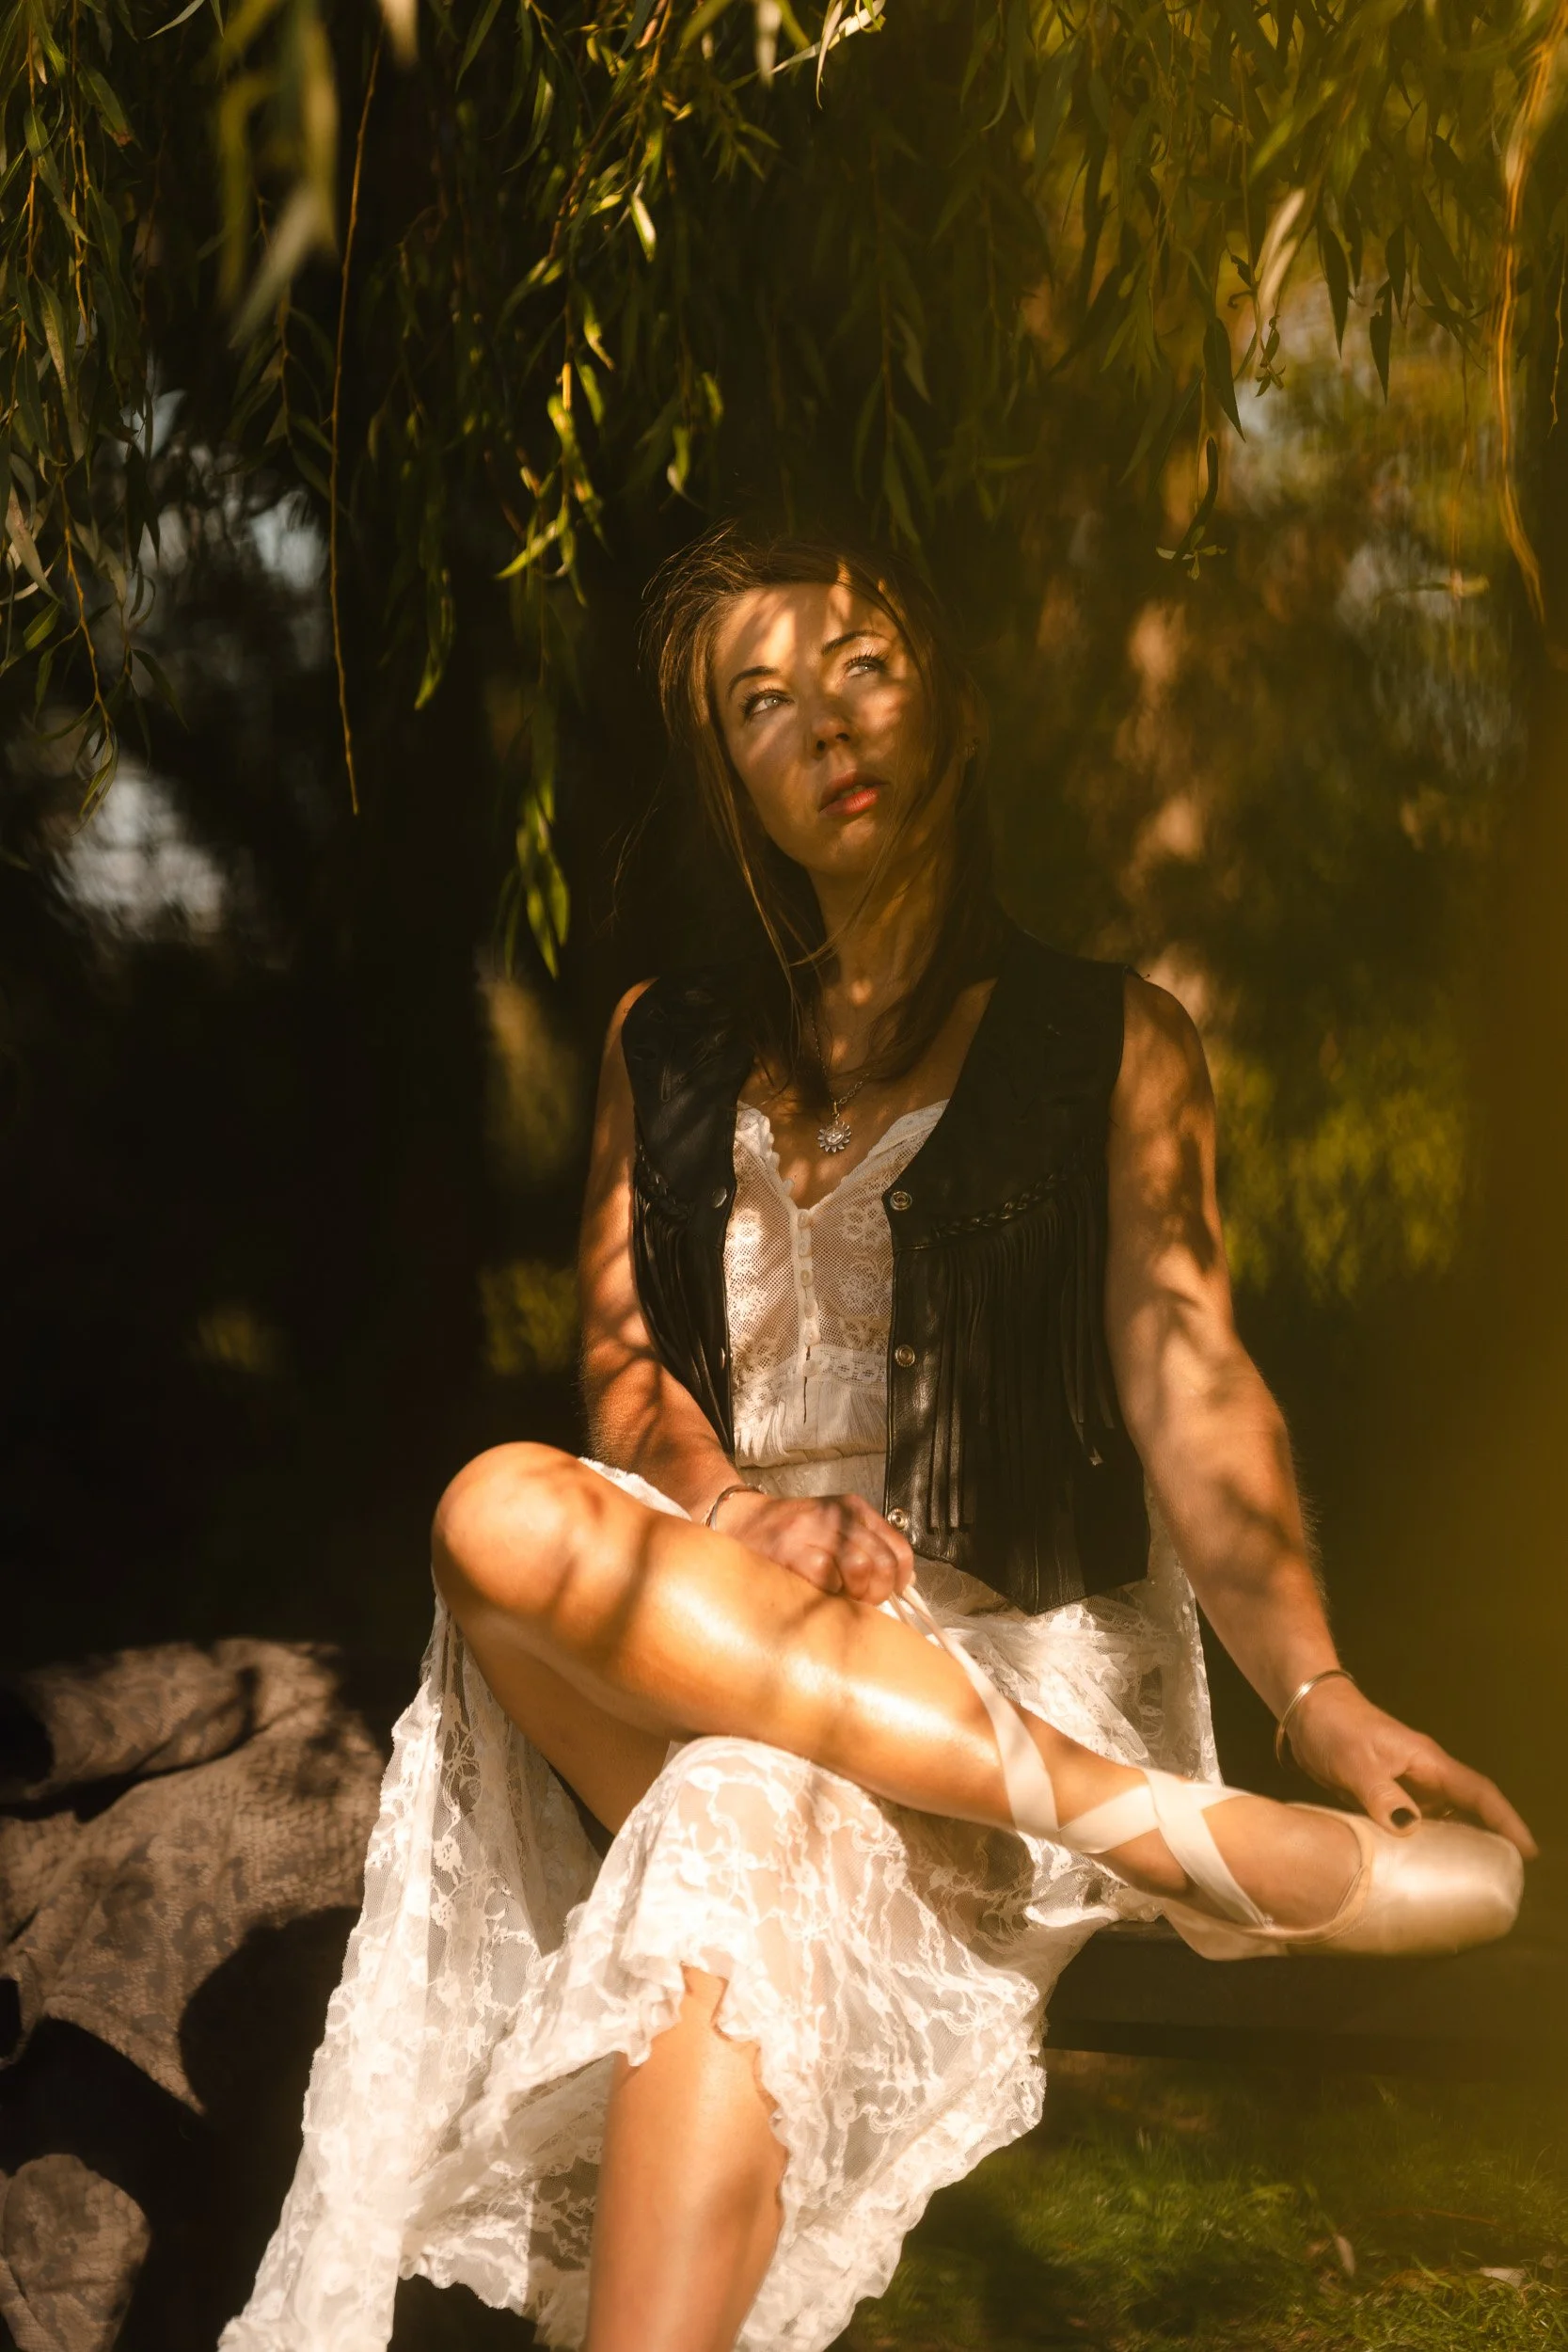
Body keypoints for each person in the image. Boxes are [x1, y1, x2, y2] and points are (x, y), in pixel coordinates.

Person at [224, 525, 1533, 2352]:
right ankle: (1161, 1836)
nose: (821, 723)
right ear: (731, 781)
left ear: (952, 696)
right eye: (759, 702)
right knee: (502, 1502)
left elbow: (1190, 1373)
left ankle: (1121, 1792)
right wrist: (737, 1508)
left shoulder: (1106, 1037)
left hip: (990, 1641)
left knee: (736, 1829)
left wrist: (1312, 1689)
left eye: (858, 665)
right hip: (702, 1618)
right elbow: (626, 1368)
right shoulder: (656, 1038)